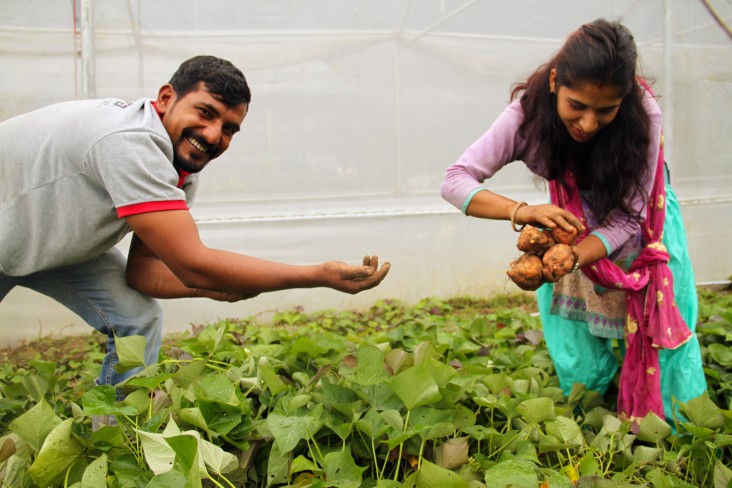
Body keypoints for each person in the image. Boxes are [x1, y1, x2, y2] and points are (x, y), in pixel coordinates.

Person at [0, 55, 391, 398]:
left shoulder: (179, 169)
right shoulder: (130, 142)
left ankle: (117, 430)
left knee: (137, 316)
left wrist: (213, 287)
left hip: (48, 239)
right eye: (205, 113)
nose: (213, 135)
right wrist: (317, 275)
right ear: (166, 98)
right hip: (9, 229)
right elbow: (192, 264)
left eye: (229, 128)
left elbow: (143, 273)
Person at [441, 19, 705, 423]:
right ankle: (591, 411)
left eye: (606, 111)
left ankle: (670, 425)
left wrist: (576, 254)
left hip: (642, 224)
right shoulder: (526, 117)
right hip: (571, 222)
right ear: (553, 82)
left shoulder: (644, 115)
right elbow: (455, 180)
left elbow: (630, 216)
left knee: (661, 325)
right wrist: (523, 212)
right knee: (575, 335)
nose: (587, 123)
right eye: (576, 106)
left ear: (626, 98)